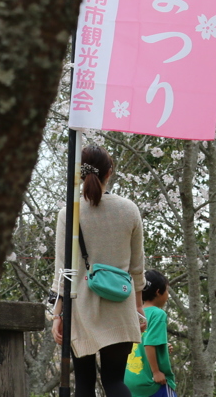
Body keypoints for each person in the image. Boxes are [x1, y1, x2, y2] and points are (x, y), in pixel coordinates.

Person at [51, 145, 146, 397]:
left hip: (81, 308)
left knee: (84, 382)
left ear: (78, 174)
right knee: (115, 381)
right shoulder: (129, 210)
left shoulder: (68, 213)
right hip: (120, 305)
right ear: (110, 171)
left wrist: (57, 313)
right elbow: (137, 268)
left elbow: (64, 271)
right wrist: (138, 310)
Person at [125, 270, 177, 397]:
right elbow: (149, 344)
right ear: (158, 292)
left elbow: (140, 342)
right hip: (152, 382)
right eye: (167, 290)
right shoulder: (157, 314)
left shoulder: (132, 314)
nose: (168, 295)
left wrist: (163, 348)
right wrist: (156, 372)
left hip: (129, 380)